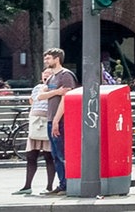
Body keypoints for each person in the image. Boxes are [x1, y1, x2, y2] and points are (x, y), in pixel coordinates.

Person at [37, 47, 77, 196]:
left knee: (62, 154)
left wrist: (56, 120)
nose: (46, 61)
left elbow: (66, 98)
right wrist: (56, 92)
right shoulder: (51, 77)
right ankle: (62, 184)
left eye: (48, 58)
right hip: (51, 119)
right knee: (55, 154)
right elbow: (40, 96)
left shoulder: (65, 75)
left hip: (59, 120)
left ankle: (67, 184)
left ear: (57, 59)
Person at [13, 69, 56, 196]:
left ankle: (49, 187)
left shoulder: (56, 88)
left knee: (49, 156)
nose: (46, 75)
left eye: (50, 73)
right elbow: (33, 100)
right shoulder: (38, 87)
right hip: (35, 121)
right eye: (45, 73)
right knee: (31, 155)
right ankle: (27, 185)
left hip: (48, 120)